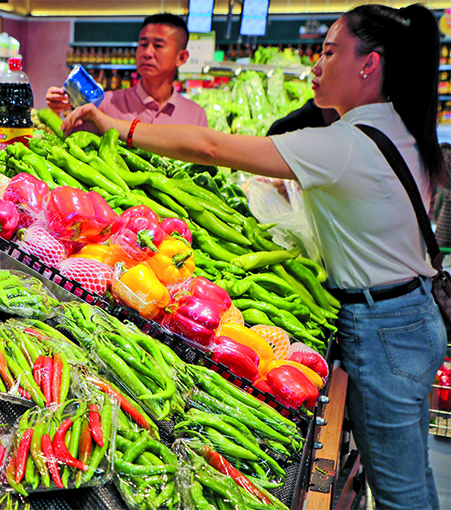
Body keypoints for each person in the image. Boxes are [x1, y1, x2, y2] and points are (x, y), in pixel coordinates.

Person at [62, 4, 447, 509]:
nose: (316, 65)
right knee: (412, 477)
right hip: (408, 317)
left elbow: (211, 146)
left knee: (400, 495)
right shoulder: (397, 125)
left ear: (368, 65)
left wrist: (114, 126)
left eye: (330, 52)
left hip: (382, 328)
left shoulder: (344, 145)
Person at [46, 13, 207, 129]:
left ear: (181, 57)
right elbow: (68, 137)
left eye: (158, 45)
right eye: (143, 44)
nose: (147, 53)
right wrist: (56, 111)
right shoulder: (106, 103)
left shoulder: (195, 116)